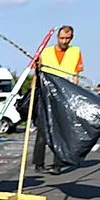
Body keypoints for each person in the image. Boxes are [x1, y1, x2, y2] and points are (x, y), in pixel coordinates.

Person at [34, 25, 82, 175]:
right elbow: (37, 72)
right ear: (57, 37)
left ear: (71, 38)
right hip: (46, 93)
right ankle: (38, 163)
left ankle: (57, 164)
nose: (64, 41)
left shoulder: (75, 51)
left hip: (64, 95)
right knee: (42, 130)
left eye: (67, 38)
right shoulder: (46, 52)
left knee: (60, 130)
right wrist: (33, 91)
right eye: (62, 38)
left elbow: (75, 75)